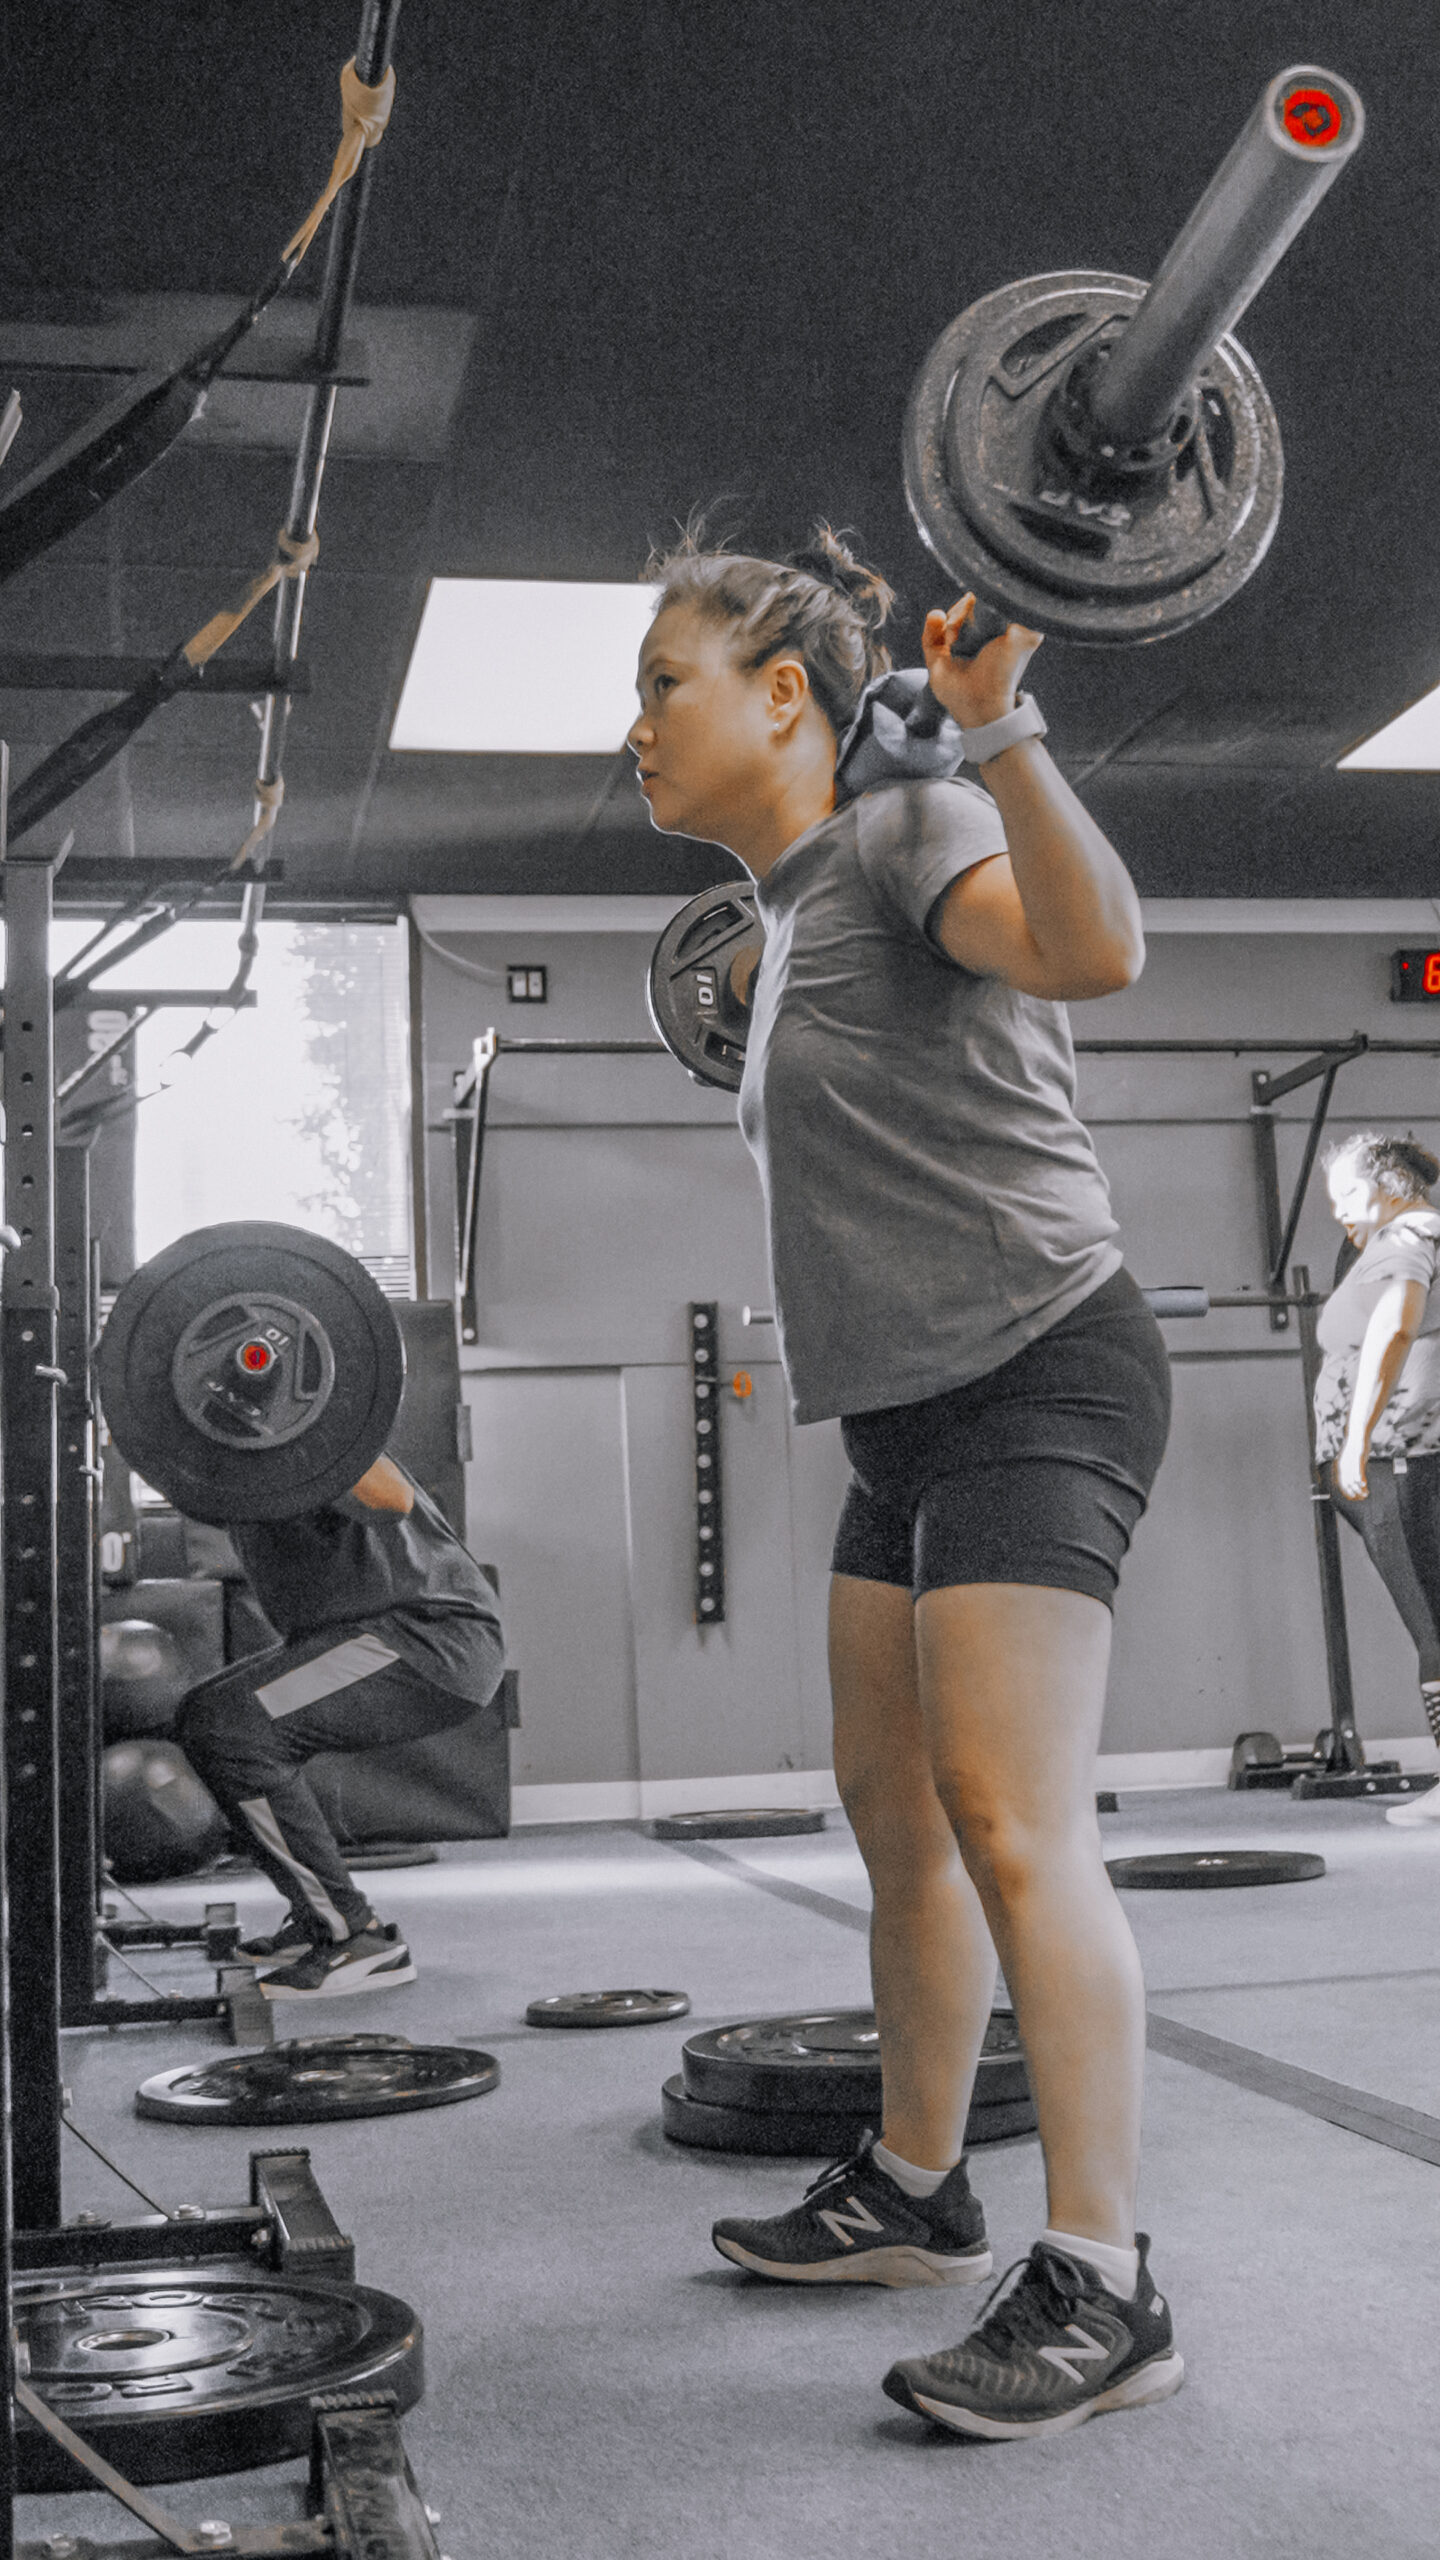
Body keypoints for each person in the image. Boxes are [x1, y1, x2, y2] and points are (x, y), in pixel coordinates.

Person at [626, 526, 1181, 2442]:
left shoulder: (904, 828)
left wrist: (993, 728)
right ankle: (919, 2182)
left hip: (1041, 1359)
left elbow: (1100, 950)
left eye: (662, 683)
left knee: (1014, 1820)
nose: (635, 728)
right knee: (894, 1809)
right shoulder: (790, 913)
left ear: (783, 693)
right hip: (905, 1414)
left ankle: (1106, 2279)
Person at [177, 1451, 505, 1997]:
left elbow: (389, 1498)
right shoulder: (228, 1457)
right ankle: (318, 1921)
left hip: (424, 1635)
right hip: (367, 1632)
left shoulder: (307, 1420)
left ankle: (354, 1939)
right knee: (205, 1716)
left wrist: (293, 1432)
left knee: (233, 1725)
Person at [1316, 1130, 1440, 1826]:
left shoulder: (1409, 1234)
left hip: (1406, 1458)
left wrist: (1355, 1443)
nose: (1339, 1212)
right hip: (1406, 1459)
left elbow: (1394, 1332)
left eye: (1348, 1195)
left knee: (1432, 1619)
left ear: (1392, 1182)